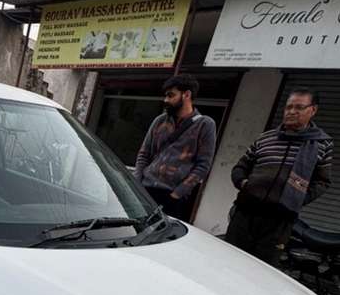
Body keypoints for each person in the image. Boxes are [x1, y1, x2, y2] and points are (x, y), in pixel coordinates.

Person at [225, 89, 333, 266]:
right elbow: (240, 167)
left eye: (299, 107)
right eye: (288, 107)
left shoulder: (322, 144)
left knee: (263, 270)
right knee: (230, 262)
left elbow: (322, 182)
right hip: (245, 213)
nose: (291, 112)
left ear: (313, 110)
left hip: (279, 221)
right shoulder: (265, 138)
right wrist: (245, 184)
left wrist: (297, 198)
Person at [134, 74, 216, 222]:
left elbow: (203, 165)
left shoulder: (205, 124)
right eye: (166, 96)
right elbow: (144, 154)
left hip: (172, 195)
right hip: (145, 190)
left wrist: (177, 194)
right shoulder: (160, 121)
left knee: (162, 239)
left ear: (187, 95)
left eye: (171, 95)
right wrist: (136, 184)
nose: (166, 100)